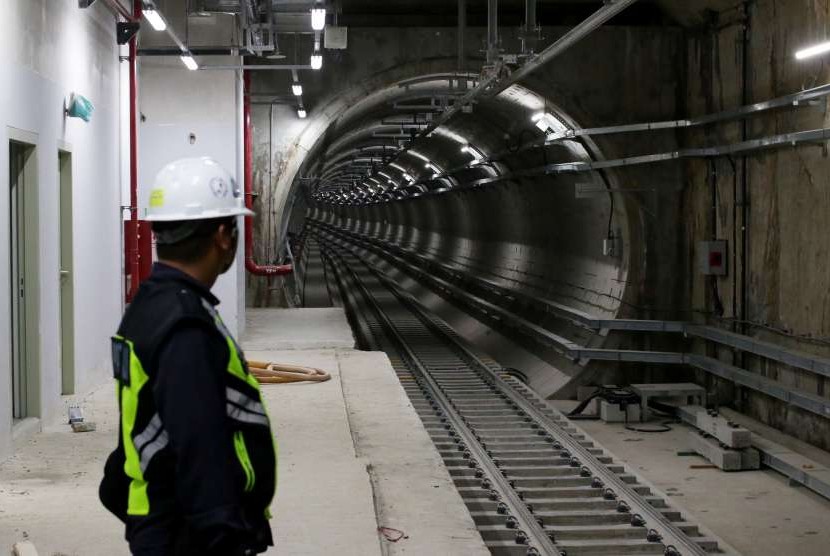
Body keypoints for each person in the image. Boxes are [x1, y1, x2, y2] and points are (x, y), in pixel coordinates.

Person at [99, 157, 277, 556]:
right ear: (222, 236)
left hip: (165, 523)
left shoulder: (149, 306)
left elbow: (143, 421)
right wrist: (224, 533)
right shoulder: (186, 327)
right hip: (190, 535)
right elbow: (201, 445)